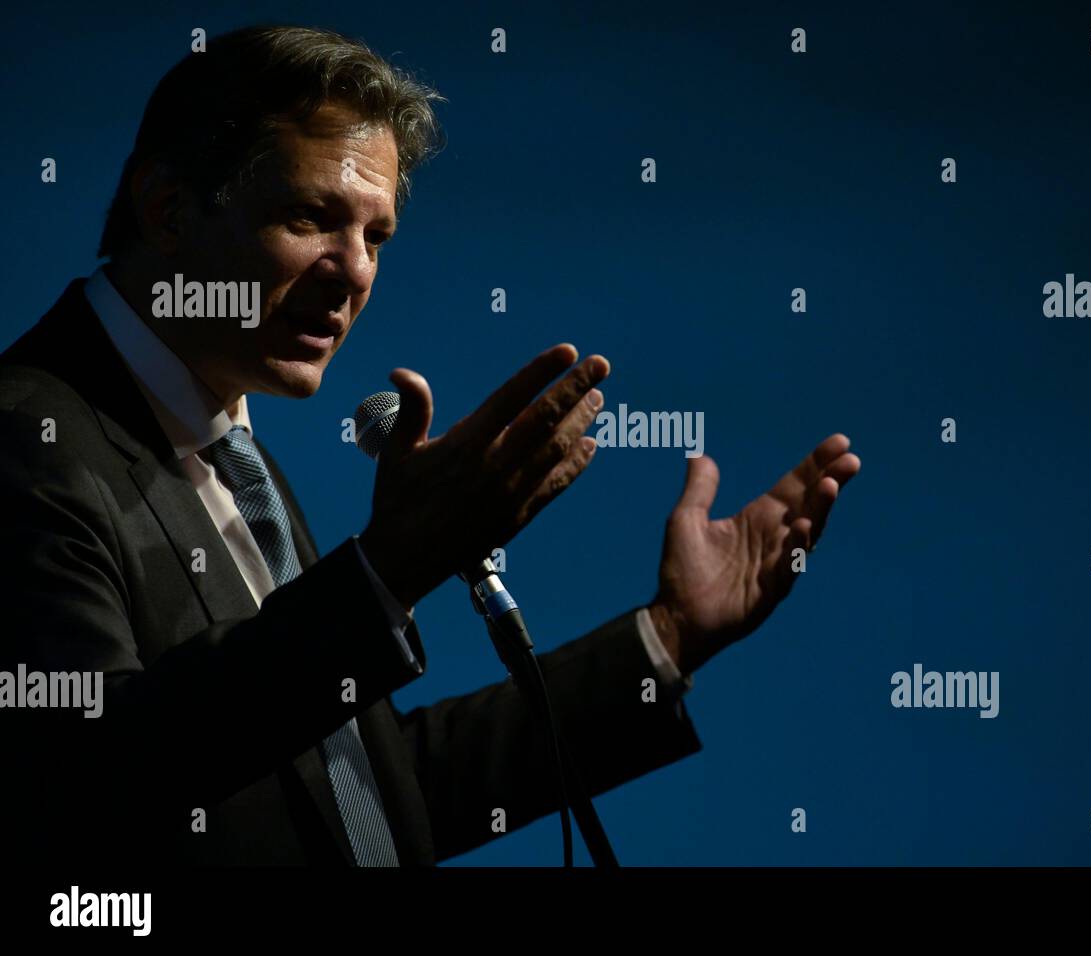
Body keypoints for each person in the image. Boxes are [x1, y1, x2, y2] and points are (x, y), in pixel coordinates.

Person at [0, 25, 860, 866]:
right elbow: (83, 782)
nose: (357, 270)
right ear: (169, 210)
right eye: (311, 216)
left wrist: (667, 638)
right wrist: (388, 571)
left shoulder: (229, 455)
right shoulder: (28, 436)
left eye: (376, 237)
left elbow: (355, 799)